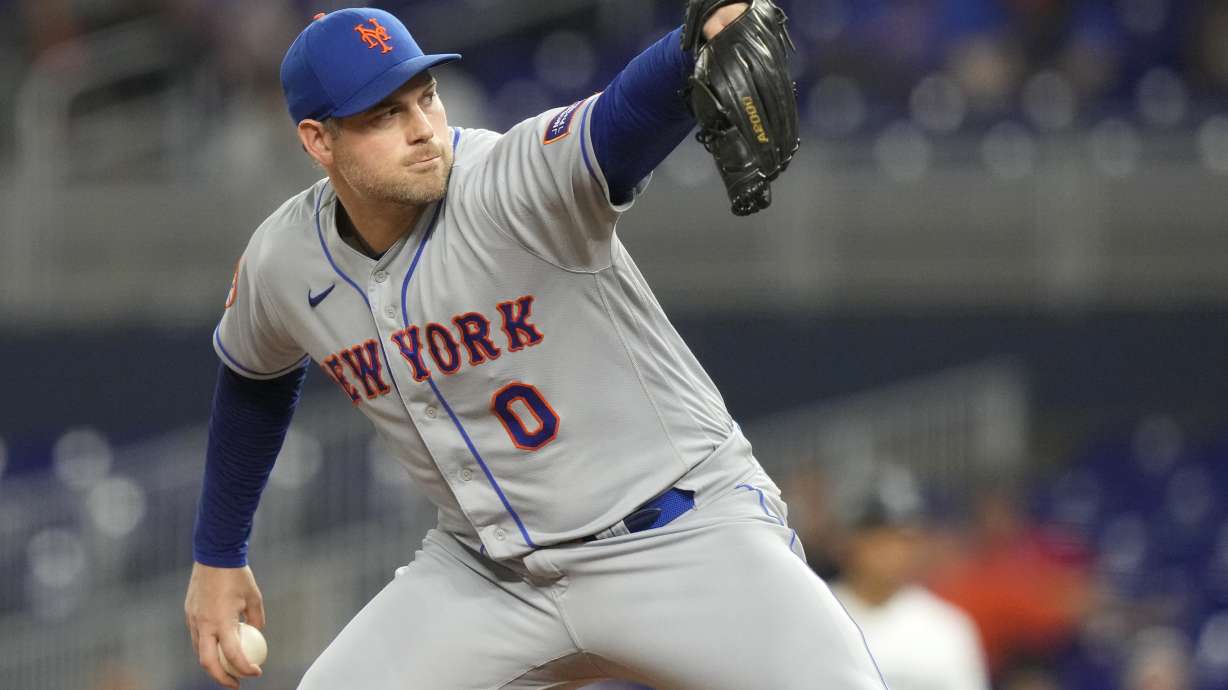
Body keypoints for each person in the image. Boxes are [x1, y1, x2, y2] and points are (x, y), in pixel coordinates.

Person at [183, 5, 886, 689]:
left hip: (678, 536)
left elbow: (617, 123)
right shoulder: (285, 260)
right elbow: (254, 377)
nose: (424, 128)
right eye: (384, 115)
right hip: (486, 577)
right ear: (316, 140)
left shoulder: (507, 180)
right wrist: (218, 555)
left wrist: (690, 45)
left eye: (424, 97)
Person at [829, 466, 990, 690]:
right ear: (848, 540)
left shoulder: (946, 627)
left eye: (900, 537)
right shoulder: (815, 613)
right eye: (877, 535)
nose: (889, 550)